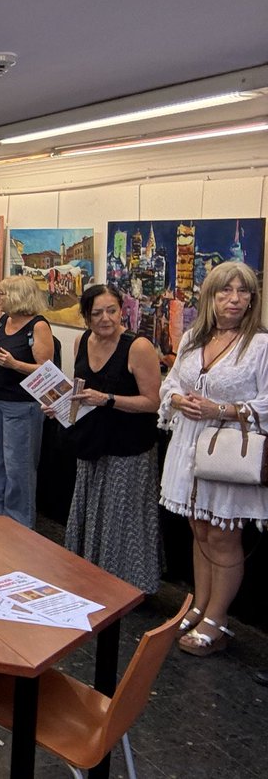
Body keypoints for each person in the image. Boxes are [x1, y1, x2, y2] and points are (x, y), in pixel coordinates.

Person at [159, 262, 268, 657]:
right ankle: (200, 604)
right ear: (210, 296)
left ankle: (217, 619)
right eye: (225, 291)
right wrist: (176, 399)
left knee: (223, 536)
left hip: (226, 450)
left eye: (243, 291)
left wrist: (220, 409)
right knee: (199, 530)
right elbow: (171, 382)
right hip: (190, 445)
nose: (234, 299)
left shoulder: (260, 345)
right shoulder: (192, 337)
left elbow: (266, 402)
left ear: (253, 298)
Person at [55, 285, 162, 593]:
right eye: (97, 313)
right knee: (94, 513)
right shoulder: (82, 340)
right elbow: (80, 392)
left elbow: (152, 402)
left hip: (128, 448)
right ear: (86, 316)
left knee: (121, 520)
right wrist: (59, 407)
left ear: (121, 310)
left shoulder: (138, 347)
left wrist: (108, 399)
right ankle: (91, 575)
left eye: (112, 310)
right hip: (91, 444)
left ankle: (126, 587)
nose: (106, 319)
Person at [0, 274, 53, 526]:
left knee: (18, 468)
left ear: (18, 295)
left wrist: (15, 364)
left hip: (22, 405)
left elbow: (47, 369)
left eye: (1, 294)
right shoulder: (5, 320)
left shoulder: (38, 326)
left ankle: (18, 524)